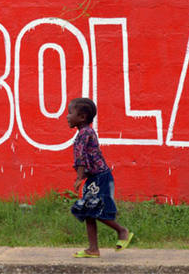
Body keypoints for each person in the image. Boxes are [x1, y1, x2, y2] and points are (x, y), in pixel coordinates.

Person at [67, 97, 134, 258]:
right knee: (87, 211)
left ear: (82, 117)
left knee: (95, 210)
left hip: (100, 178)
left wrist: (78, 178)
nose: (67, 117)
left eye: (70, 113)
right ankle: (93, 249)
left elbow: (82, 156)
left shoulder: (84, 133)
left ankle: (122, 231)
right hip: (95, 178)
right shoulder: (86, 132)